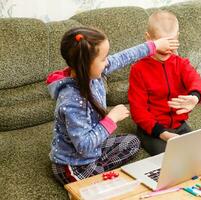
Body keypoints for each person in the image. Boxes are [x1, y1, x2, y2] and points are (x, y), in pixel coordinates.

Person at [46, 26, 179, 184]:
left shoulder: (92, 71)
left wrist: (154, 46)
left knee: (133, 142)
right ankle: (91, 178)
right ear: (86, 64)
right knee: (105, 186)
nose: (107, 61)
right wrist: (111, 119)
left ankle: (98, 171)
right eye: (103, 59)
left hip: (95, 149)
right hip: (73, 163)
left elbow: (124, 57)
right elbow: (83, 146)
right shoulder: (72, 100)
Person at [128, 10, 201, 156]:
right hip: (152, 130)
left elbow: (197, 81)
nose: (167, 49)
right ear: (148, 38)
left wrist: (195, 97)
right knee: (173, 157)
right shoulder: (138, 69)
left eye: (172, 42)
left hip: (179, 126)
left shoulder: (181, 64)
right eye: (162, 43)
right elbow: (138, 111)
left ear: (178, 38)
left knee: (199, 153)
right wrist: (163, 134)